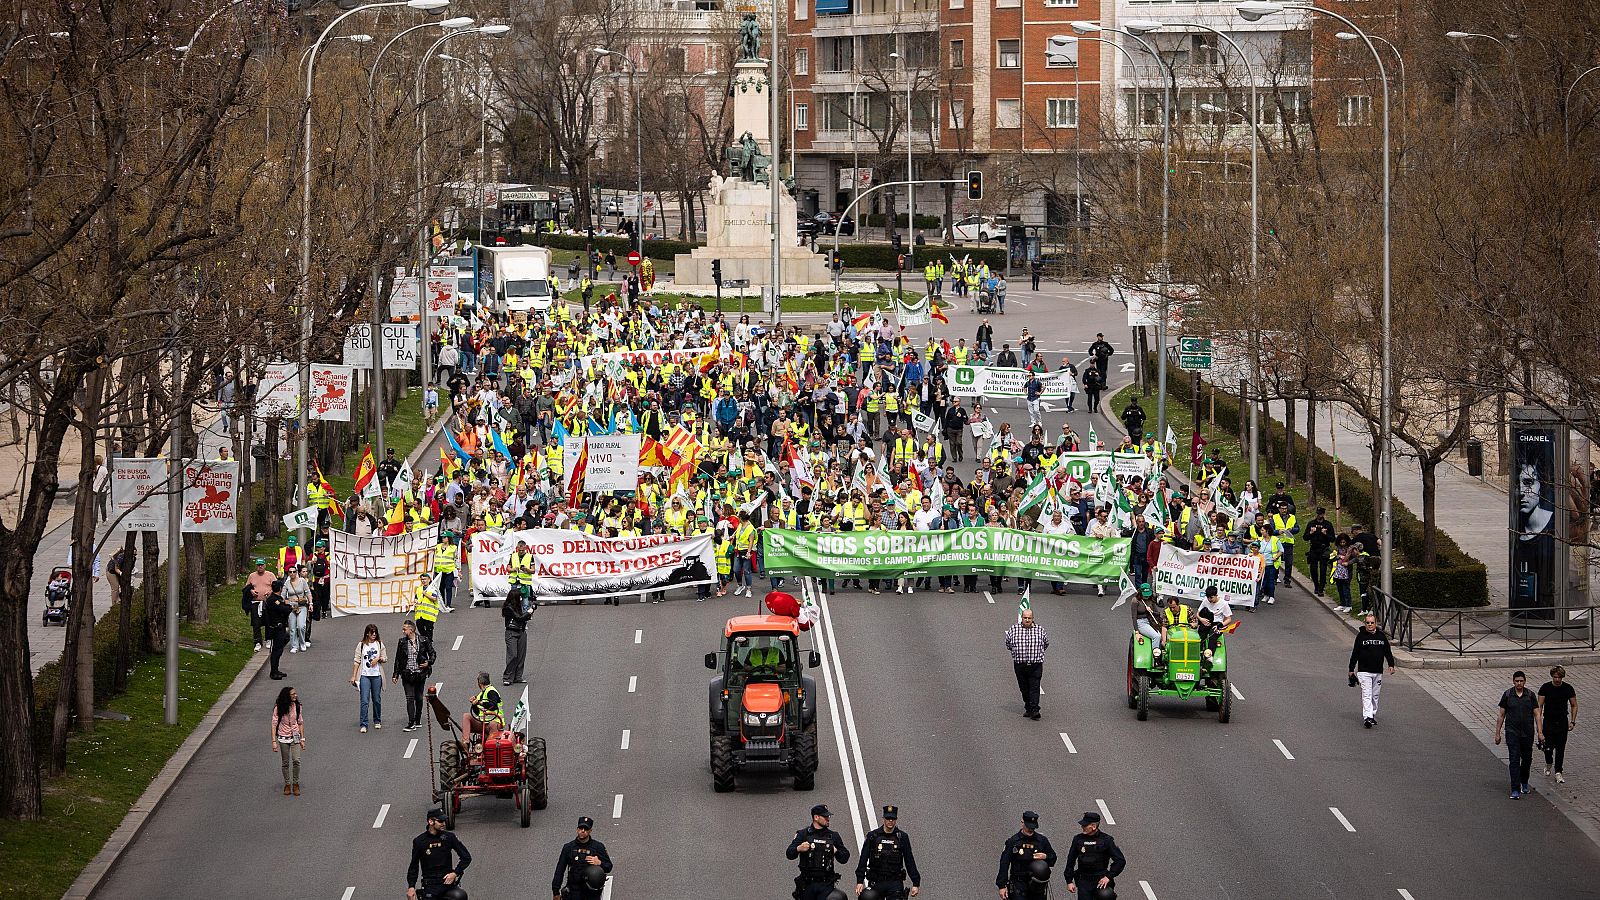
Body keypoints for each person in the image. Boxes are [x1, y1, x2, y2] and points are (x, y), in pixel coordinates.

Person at [855, 804, 921, 899]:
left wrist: (915, 882)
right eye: (888, 818)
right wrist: (860, 881)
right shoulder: (873, 836)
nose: (890, 821)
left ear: (896, 819)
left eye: (893, 819)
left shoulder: (902, 837)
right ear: (883, 819)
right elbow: (863, 859)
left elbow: (909, 860)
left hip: (894, 882)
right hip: (876, 881)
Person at [788, 804, 850, 900]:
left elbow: (844, 858)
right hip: (807, 884)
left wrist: (836, 851)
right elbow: (789, 854)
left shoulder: (833, 836)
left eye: (828, 816)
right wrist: (798, 848)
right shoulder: (802, 834)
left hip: (826, 885)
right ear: (816, 817)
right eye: (825, 816)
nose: (828, 819)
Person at [408, 808, 471, 900]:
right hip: (430, 886)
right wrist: (411, 887)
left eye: (444, 821)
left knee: (460, 896)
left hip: (447, 884)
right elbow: (414, 866)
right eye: (440, 821)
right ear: (430, 821)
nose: (444, 824)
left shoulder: (449, 837)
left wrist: (455, 873)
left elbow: (466, 857)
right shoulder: (420, 841)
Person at [1496, 670, 1540, 799]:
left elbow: (1537, 714)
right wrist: (1497, 733)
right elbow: (1501, 715)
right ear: (1513, 682)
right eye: (1517, 681)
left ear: (1525, 681)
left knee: (1527, 759)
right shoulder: (1507, 695)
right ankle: (1515, 789)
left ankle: (1524, 781)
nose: (1519, 683)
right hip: (1512, 732)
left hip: (1527, 733)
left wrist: (1540, 732)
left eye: (1521, 681)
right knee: (1514, 760)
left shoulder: (1530, 695)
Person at [996, 810, 1056, 900]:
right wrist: (1002, 886)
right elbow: (1004, 864)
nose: (1031, 830)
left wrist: (1045, 856)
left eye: (1033, 827)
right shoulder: (1013, 842)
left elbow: (1053, 858)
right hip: (1018, 883)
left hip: (1037, 884)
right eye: (1029, 827)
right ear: (1022, 823)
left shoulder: (1042, 840)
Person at [1061, 811, 1124, 896]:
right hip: (1084, 881)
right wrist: (1069, 881)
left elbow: (1120, 860)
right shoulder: (1078, 839)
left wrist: (1108, 877)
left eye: (1085, 825)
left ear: (1093, 826)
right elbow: (1070, 860)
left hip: (1101, 881)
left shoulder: (1106, 840)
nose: (1082, 827)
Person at [1347, 614, 1394, 728]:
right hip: (1364, 671)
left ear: (1375, 624)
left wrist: (1391, 664)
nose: (1370, 625)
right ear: (1365, 624)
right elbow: (1355, 653)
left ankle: (1372, 715)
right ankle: (1367, 717)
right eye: (1367, 622)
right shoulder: (1361, 636)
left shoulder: (1381, 636)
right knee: (1367, 694)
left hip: (1377, 671)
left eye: (1372, 622)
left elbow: (1387, 651)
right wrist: (1351, 669)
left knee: (1375, 695)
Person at [552, 816, 613, 900]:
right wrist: (556, 891)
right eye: (581, 828)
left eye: (586, 829)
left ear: (590, 831)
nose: (583, 831)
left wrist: (599, 863)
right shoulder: (568, 847)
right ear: (577, 829)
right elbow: (560, 870)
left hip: (591, 892)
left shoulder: (598, 847)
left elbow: (609, 866)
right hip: (573, 890)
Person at [1004, 609, 1049, 720]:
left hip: (1035, 664)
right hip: (1020, 665)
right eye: (1025, 618)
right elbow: (1008, 644)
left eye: (1029, 618)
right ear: (1022, 618)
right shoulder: (1014, 629)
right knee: (1024, 688)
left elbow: (1046, 643)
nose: (1027, 620)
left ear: (1033, 618)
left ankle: (1035, 709)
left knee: (1034, 687)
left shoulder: (1040, 630)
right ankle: (1028, 707)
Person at [1538, 665, 1578, 783]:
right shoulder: (1545, 688)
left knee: (1560, 748)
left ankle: (1558, 772)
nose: (1557, 679)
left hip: (1562, 722)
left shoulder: (1568, 688)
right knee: (1548, 747)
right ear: (1552, 676)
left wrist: (1572, 721)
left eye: (1559, 677)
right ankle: (1549, 762)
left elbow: (1574, 705)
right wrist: (1539, 722)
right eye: (1555, 677)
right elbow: (1539, 706)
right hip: (1548, 721)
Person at [393, 620, 435, 732]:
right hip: (407, 674)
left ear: (411, 630)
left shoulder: (423, 640)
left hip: (420, 674)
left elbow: (432, 653)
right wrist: (395, 674)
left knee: (419, 697)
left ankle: (417, 719)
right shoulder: (402, 642)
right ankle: (411, 722)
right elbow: (398, 659)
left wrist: (428, 662)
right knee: (409, 698)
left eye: (405, 629)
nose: (403, 631)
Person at [271, 686, 306, 796]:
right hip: (283, 737)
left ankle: (295, 783)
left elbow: (300, 722)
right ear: (287, 696)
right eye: (293, 694)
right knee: (285, 762)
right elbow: (274, 724)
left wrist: (302, 739)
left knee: (296, 760)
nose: (296, 695)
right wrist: (274, 741)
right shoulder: (279, 708)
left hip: (295, 736)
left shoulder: (298, 706)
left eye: (295, 693)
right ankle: (287, 784)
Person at [350, 623, 386, 732]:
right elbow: (357, 661)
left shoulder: (379, 644)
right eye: (372, 633)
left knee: (376, 699)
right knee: (364, 700)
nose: (374, 635)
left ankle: (377, 720)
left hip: (376, 675)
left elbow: (385, 658)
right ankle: (364, 724)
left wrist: (378, 659)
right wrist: (354, 676)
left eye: (375, 633)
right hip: (364, 675)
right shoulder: (361, 645)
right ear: (367, 633)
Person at [503, 587, 534, 685]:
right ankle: (507, 677)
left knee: (521, 656)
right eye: (519, 597)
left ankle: (518, 676)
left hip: (521, 631)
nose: (521, 599)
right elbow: (518, 618)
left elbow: (523, 618)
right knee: (513, 655)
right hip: (511, 632)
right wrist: (528, 612)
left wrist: (529, 613)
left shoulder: (519, 606)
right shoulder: (508, 608)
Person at [1195, 585, 1233, 659]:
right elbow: (1198, 613)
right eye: (1208, 597)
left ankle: (1209, 656)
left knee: (1212, 636)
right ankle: (1197, 653)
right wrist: (1201, 619)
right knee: (1200, 636)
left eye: (1211, 597)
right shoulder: (1205, 601)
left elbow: (1229, 619)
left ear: (1216, 595)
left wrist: (1220, 625)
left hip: (1217, 624)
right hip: (1207, 621)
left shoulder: (1224, 604)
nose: (1209, 600)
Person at [1304, 508, 1336, 596]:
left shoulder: (1328, 524)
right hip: (1314, 548)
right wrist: (1311, 533)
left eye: (1321, 514)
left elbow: (1332, 539)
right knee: (1313, 569)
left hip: (1324, 549)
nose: (1319, 516)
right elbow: (1305, 537)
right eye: (1318, 514)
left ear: (1323, 514)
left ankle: (1321, 588)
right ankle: (1316, 586)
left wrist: (1325, 534)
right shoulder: (1311, 524)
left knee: (1323, 569)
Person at [264, 588, 292, 680]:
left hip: (279, 627)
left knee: (279, 649)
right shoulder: (274, 600)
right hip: (276, 628)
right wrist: (289, 606)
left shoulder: (275, 598)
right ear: (280, 589)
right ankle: (273, 672)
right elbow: (284, 609)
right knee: (276, 651)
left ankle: (276, 670)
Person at [283, 565, 312, 652]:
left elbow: (308, 593)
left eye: (294, 572)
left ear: (296, 572)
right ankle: (294, 646)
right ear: (288, 573)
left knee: (301, 626)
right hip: (291, 607)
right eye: (290, 572)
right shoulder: (287, 583)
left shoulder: (302, 581)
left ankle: (302, 643)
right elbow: (282, 596)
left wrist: (310, 603)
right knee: (292, 628)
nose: (292, 573)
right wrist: (285, 601)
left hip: (301, 606)